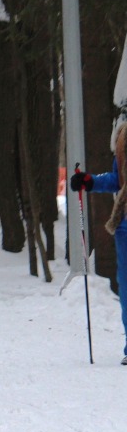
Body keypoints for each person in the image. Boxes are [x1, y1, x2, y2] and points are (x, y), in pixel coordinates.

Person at [70, 120, 127, 364]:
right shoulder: (123, 136)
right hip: (125, 225)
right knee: (126, 287)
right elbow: (117, 179)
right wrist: (90, 182)